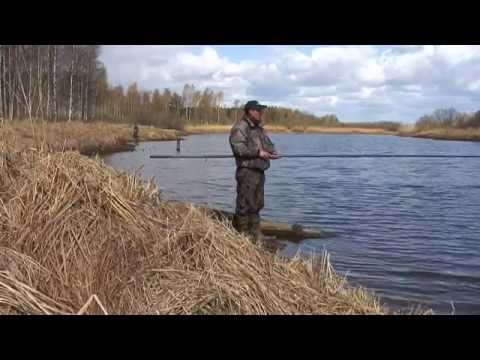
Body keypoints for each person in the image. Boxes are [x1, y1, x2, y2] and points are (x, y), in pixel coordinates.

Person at [229, 100, 279, 244]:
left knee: (256, 204)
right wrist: (259, 152)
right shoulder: (240, 128)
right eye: (258, 111)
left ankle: (256, 236)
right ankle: (242, 237)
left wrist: (271, 152)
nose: (261, 113)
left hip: (259, 172)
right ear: (251, 111)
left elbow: (268, 144)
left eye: (261, 111)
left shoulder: (258, 128)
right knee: (244, 205)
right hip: (247, 172)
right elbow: (239, 149)